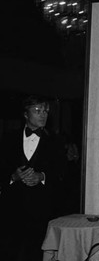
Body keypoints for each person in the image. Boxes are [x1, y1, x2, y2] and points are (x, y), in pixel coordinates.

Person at [0, 95, 66, 261]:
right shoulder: (7, 139)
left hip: (42, 208)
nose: (43, 114)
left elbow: (63, 172)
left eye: (45, 111)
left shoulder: (56, 141)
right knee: (9, 251)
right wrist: (13, 176)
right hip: (11, 207)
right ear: (25, 114)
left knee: (36, 252)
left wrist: (41, 176)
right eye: (37, 111)